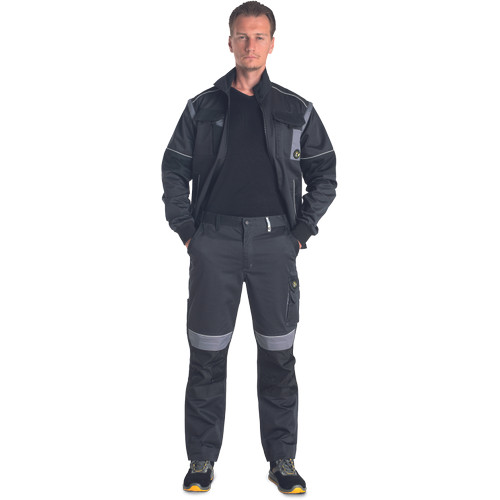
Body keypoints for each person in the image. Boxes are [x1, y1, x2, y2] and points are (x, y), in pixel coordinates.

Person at [161, 1, 336, 494]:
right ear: (230, 41)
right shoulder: (202, 108)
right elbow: (173, 169)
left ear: (272, 43)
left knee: (278, 356)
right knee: (206, 354)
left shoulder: (296, 109)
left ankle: (282, 460)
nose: (250, 45)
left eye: (259, 37)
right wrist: (188, 230)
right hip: (212, 242)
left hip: (275, 244)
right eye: (242, 36)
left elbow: (325, 174)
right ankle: (201, 460)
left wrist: (300, 232)